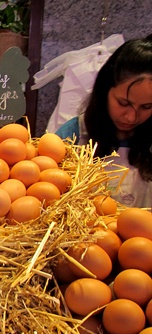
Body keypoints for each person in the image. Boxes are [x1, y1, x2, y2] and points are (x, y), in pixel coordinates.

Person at [56, 34, 152, 207]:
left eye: (146, 107)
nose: (131, 117)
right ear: (105, 90)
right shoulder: (73, 135)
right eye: (123, 103)